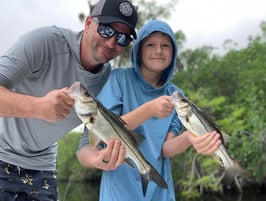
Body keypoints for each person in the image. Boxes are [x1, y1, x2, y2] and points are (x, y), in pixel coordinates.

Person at [0, 0, 138, 200]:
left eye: (123, 38)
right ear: (88, 23)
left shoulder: (109, 83)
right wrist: (37, 107)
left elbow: (85, 143)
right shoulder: (45, 41)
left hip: (42, 168)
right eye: (107, 30)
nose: (112, 43)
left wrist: (96, 158)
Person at [77, 19, 222, 201]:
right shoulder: (119, 80)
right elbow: (103, 127)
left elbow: (165, 150)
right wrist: (150, 109)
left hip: (160, 193)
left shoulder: (177, 96)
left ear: (173, 52)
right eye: (150, 44)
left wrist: (191, 137)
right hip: (118, 192)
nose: (158, 51)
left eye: (166, 45)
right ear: (139, 50)